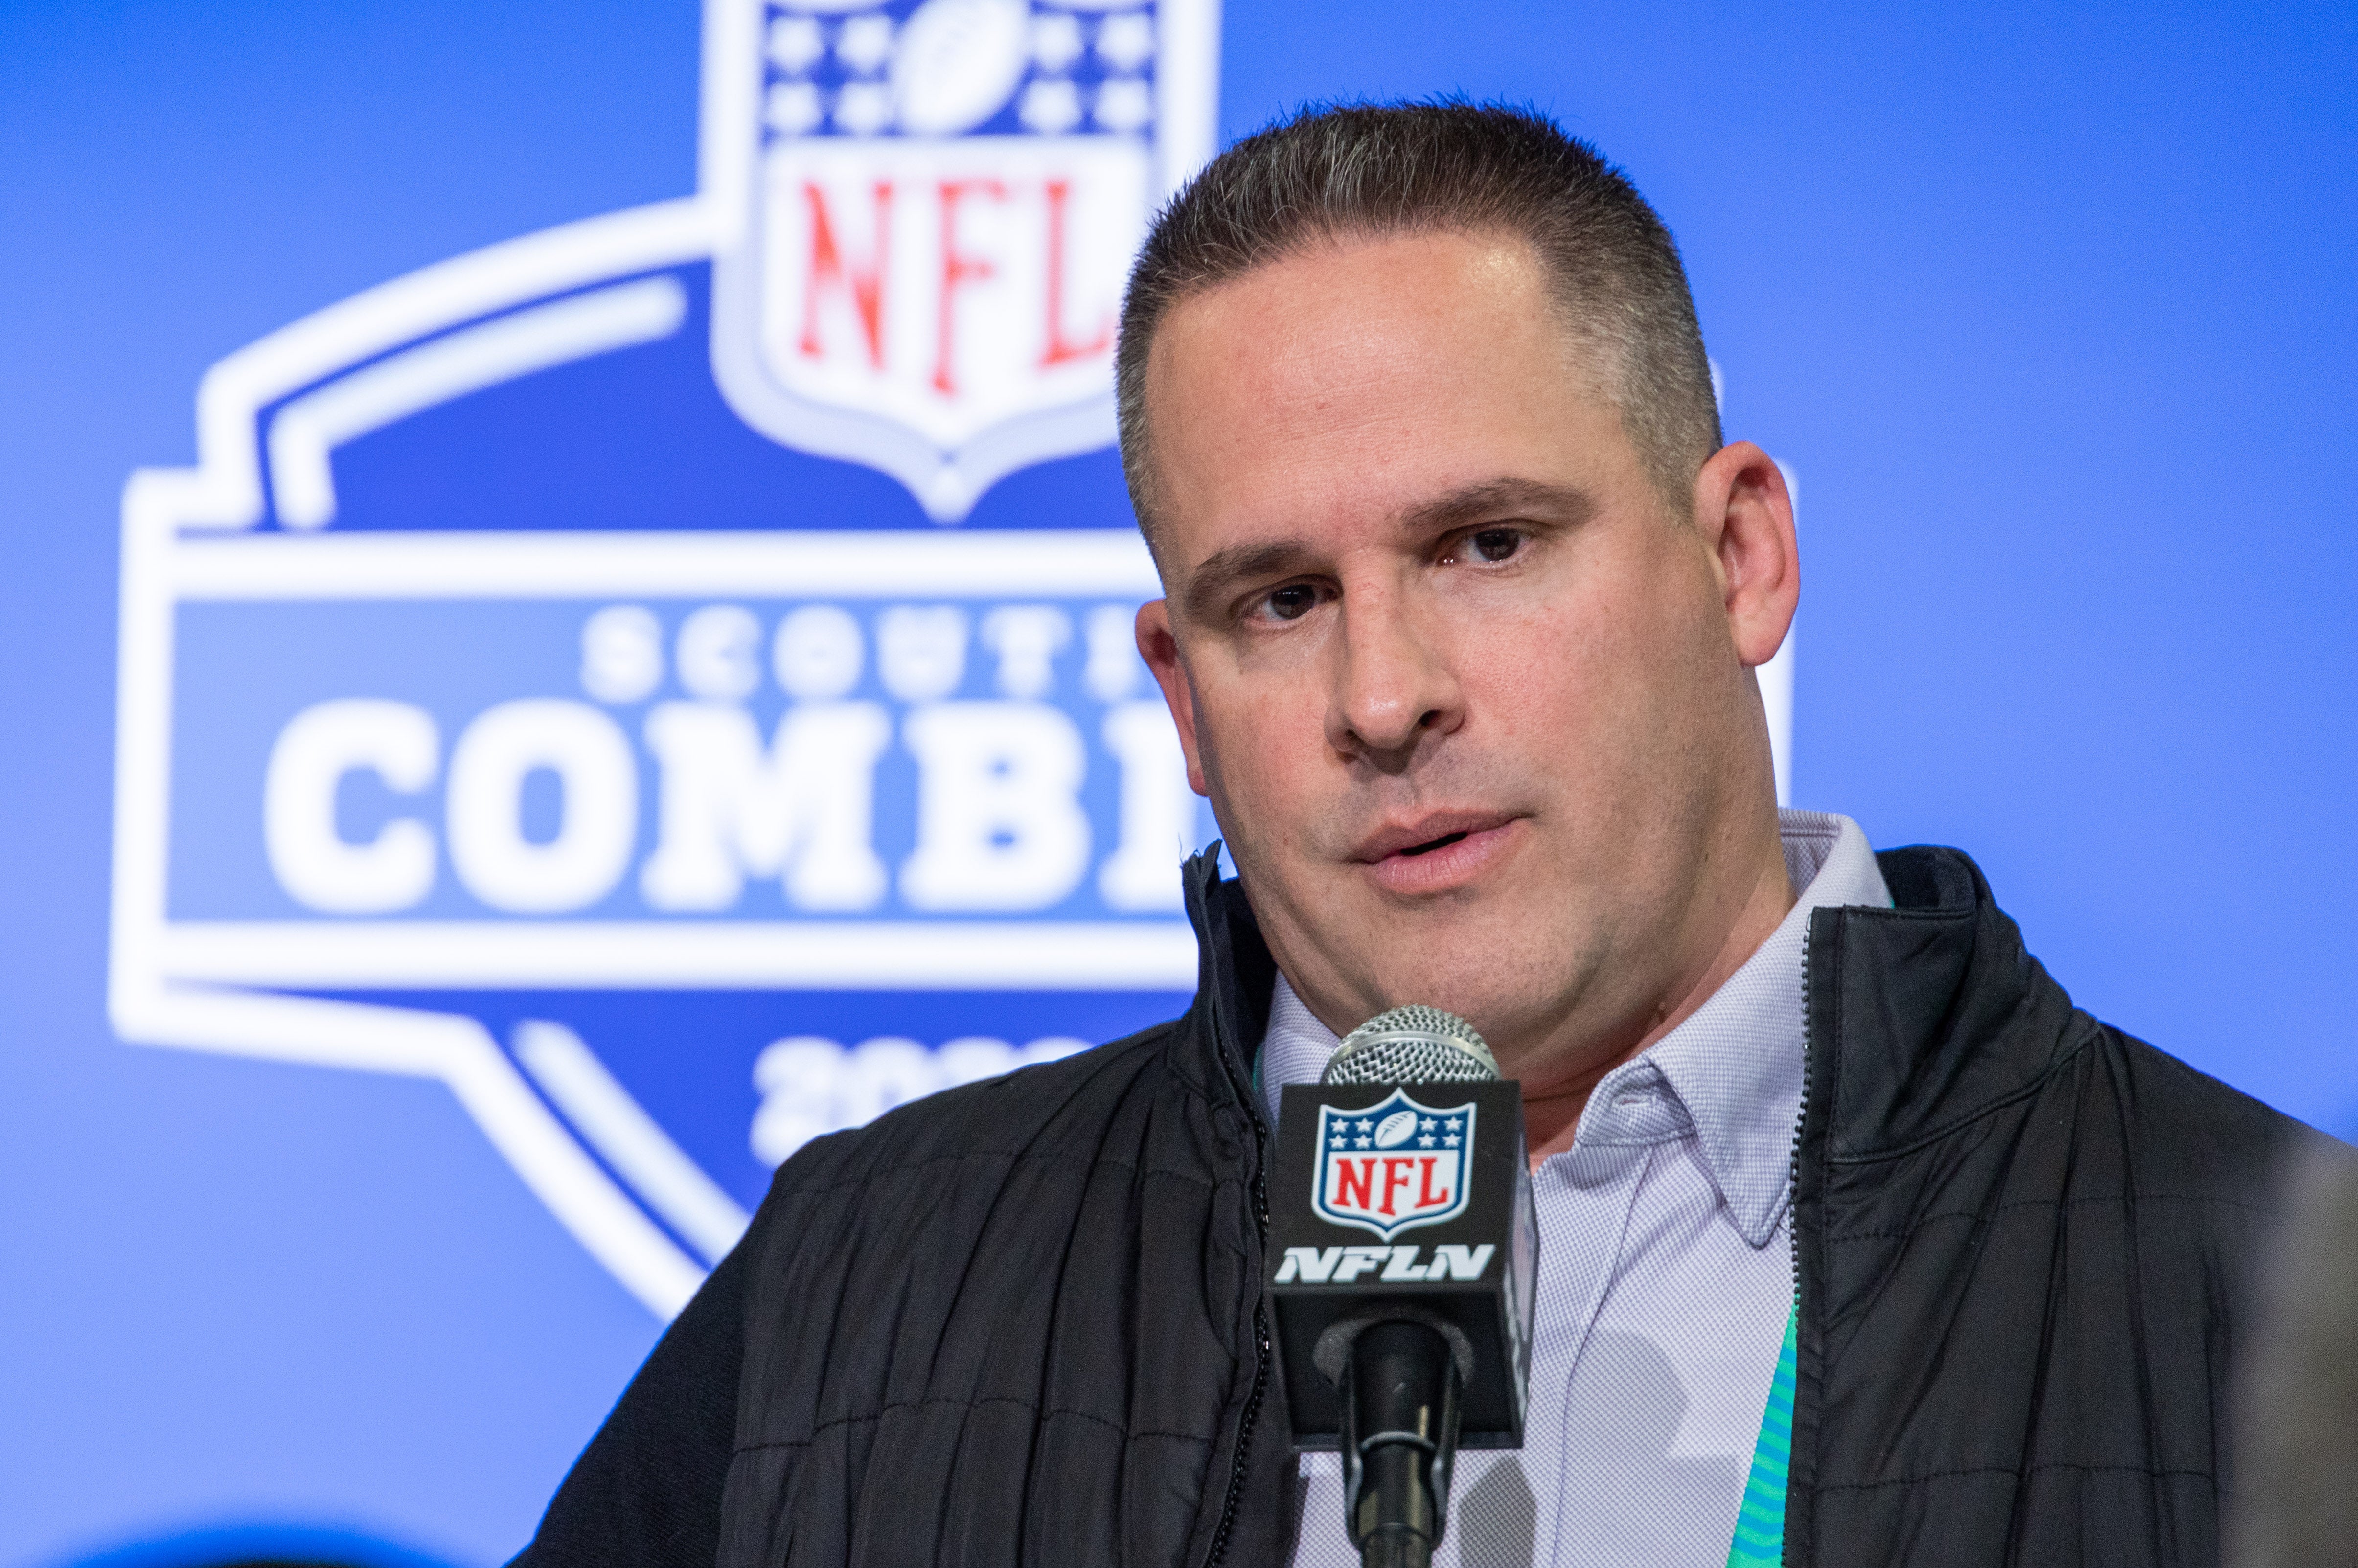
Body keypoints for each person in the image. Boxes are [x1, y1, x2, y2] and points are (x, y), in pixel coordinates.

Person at [515, 101, 2307, 1568]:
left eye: (1486, 546)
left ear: (1740, 558)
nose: (1382, 696)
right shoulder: (862, 1282)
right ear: (1181, 697)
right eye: (1280, 600)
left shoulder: (2284, 1299)